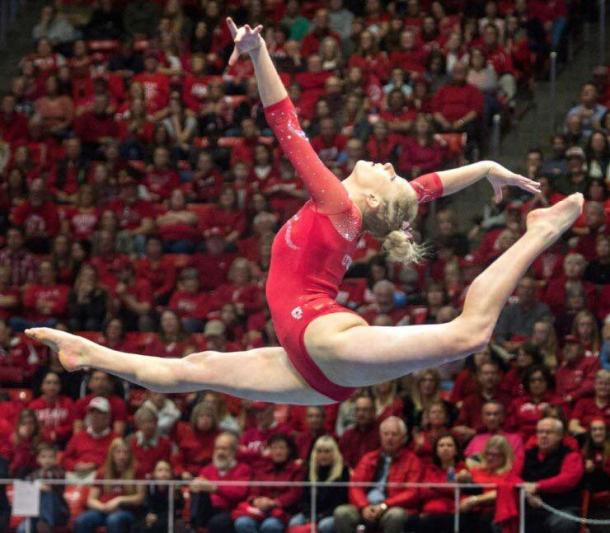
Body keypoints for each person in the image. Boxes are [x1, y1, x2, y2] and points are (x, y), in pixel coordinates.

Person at [26, 18, 583, 408]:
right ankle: (89, 351)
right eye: (392, 173)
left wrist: (258, 53)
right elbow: (428, 187)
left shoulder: (341, 205)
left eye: (388, 175)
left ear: (369, 197)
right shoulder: (354, 210)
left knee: (470, 335)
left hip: (322, 340)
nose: (387, 165)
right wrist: (485, 166)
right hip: (310, 362)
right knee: (190, 370)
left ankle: (539, 231)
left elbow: (286, 124)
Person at [334, 416, 423, 533]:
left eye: (394, 434)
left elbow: (412, 492)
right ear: (380, 436)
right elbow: (355, 486)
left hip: (392, 507)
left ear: (403, 438)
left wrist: (385, 505)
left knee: (395, 516)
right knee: (342, 512)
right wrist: (364, 506)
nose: (389, 438)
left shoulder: (412, 460)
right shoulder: (369, 458)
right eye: (386, 434)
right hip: (366, 505)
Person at [520, 418, 584, 533]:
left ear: (560, 436)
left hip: (561, 507)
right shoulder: (525, 455)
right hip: (529, 506)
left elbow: (567, 480)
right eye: (540, 432)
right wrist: (527, 493)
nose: (543, 435)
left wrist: (538, 486)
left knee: (562, 523)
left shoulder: (571, 456)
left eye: (549, 432)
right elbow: (512, 478)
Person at [74, 437, 145, 533]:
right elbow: (91, 500)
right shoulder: (102, 472)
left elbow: (140, 498)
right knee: (81, 520)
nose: (122, 456)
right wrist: (103, 507)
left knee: (114, 520)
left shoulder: (137, 470)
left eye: (125, 452)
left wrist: (119, 500)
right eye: (118, 452)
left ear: (130, 455)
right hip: (103, 510)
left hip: (126, 510)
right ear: (112, 454)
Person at [190, 432, 251, 532]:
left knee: (217, 522)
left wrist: (215, 488)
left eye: (224, 449)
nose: (220, 452)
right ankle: (193, 522)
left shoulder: (243, 469)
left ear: (234, 451)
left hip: (231, 510)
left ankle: (194, 523)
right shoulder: (207, 470)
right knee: (198, 488)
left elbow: (240, 493)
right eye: (217, 448)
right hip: (208, 510)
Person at [289, 435, 349, 533]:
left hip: (331, 514)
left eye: (327, 451)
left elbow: (341, 501)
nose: (323, 455)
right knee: (294, 522)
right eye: (319, 451)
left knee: (324, 526)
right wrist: (309, 515)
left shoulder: (343, 472)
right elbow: (304, 498)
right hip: (312, 513)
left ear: (334, 453)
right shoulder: (310, 470)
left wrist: (320, 516)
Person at [17, 442, 69, 533]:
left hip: (58, 512)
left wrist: (34, 485)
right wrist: (36, 485)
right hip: (36, 512)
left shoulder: (60, 472)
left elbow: (49, 478)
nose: (47, 460)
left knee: (48, 494)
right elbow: (24, 484)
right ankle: (43, 523)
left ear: (56, 459)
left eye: (51, 457)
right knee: (22, 529)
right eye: (43, 457)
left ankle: (45, 523)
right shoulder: (35, 473)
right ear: (38, 459)